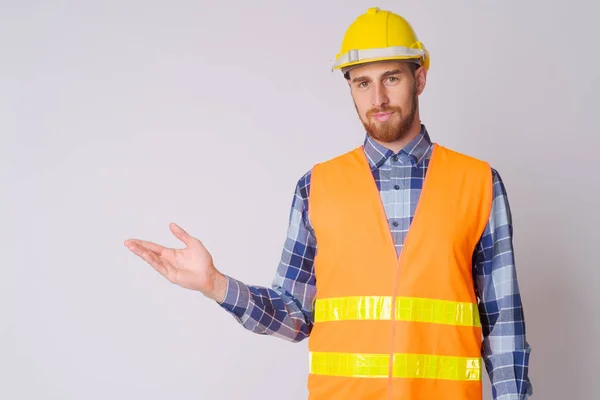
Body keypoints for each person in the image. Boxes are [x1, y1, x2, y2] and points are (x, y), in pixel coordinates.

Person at [124, 7, 533, 400]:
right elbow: (295, 315)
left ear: (419, 78)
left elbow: (505, 325)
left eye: (391, 78)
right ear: (350, 87)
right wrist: (215, 285)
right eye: (362, 82)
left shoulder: (478, 182)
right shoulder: (315, 188)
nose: (378, 98)